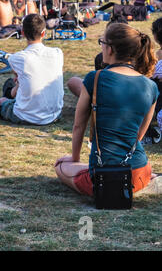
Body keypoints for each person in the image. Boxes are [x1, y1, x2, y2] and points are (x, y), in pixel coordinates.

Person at [54, 23, 160, 198]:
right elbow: (139, 136)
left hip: (104, 176)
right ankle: (145, 182)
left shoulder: (95, 78)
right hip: (141, 171)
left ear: (110, 49)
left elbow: (78, 126)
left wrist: (74, 158)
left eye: (102, 42)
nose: (101, 46)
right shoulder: (150, 86)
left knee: (60, 166)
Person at [0, 14, 64, 125]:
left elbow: (19, 82)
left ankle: (0, 101)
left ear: (23, 33)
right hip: (54, 114)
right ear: (43, 33)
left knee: (0, 101)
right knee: (10, 84)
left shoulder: (16, 58)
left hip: (26, 116)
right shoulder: (58, 53)